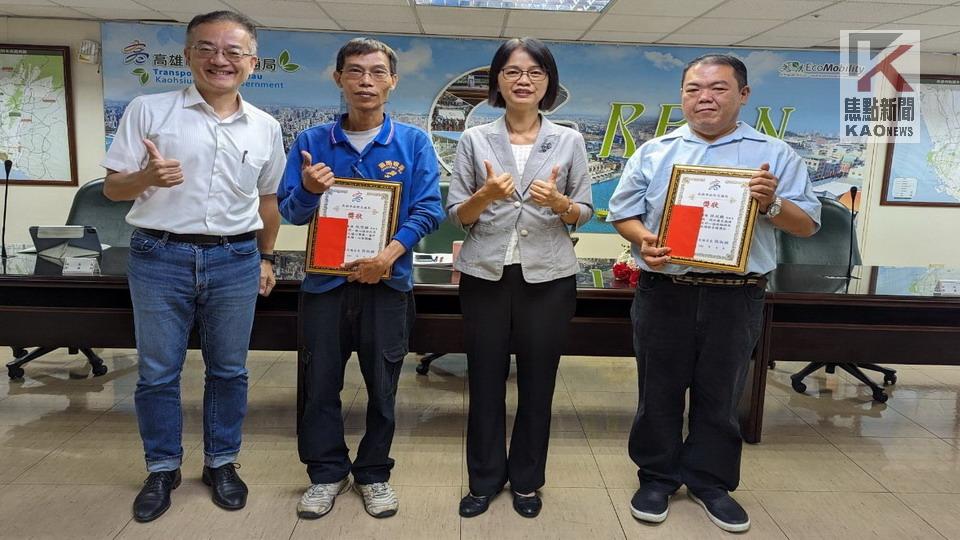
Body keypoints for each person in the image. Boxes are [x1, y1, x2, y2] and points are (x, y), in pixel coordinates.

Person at [607, 54, 821, 533]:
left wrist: (772, 203)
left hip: (737, 294)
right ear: (682, 95)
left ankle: (711, 483)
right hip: (666, 289)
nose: (704, 97)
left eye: (719, 88)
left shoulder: (776, 155)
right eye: (693, 88)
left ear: (743, 95)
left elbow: (807, 226)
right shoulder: (656, 151)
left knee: (721, 394)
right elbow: (623, 213)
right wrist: (643, 240)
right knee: (657, 391)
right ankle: (657, 477)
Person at [101, 11, 285, 523]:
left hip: (235, 259)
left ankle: (222, 462)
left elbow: (267, 200)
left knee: (229, 371)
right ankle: (162, 467)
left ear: (252, 62)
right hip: (159, 256)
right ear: (187, 56)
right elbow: (113, 189)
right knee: (158, 373)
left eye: (233, 51)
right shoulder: (149, 110)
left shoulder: (266, 127)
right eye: (206, 48)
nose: (219, 59)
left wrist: (266, 256)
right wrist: (145, 177)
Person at [277, 37, 443, 520]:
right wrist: (308, 190)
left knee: (383, 385)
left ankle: (373, 473)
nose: (365, 81)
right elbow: (290, 212)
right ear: (339, 79)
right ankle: (326, 473)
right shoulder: (311, 142)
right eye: (355, 72)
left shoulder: (412, 142)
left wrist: (387, 256)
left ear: (392, 80)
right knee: (319, 383)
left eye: (376, 72)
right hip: (324, 287)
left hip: (387, 286)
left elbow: (428, 210)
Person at [447, 37, 593, 519]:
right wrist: (486, 194)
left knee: (538, 384)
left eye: (534, 72)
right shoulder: (475, 138)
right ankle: (484, 479)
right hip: (485, 273)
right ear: (497, 81)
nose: (523, 80)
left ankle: (528, 481)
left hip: (548, 277)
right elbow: (458, 216)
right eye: (512, 71)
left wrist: (561, 205)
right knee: (484, 380)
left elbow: (584, 212)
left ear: (548, 82)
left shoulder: (569, 139)